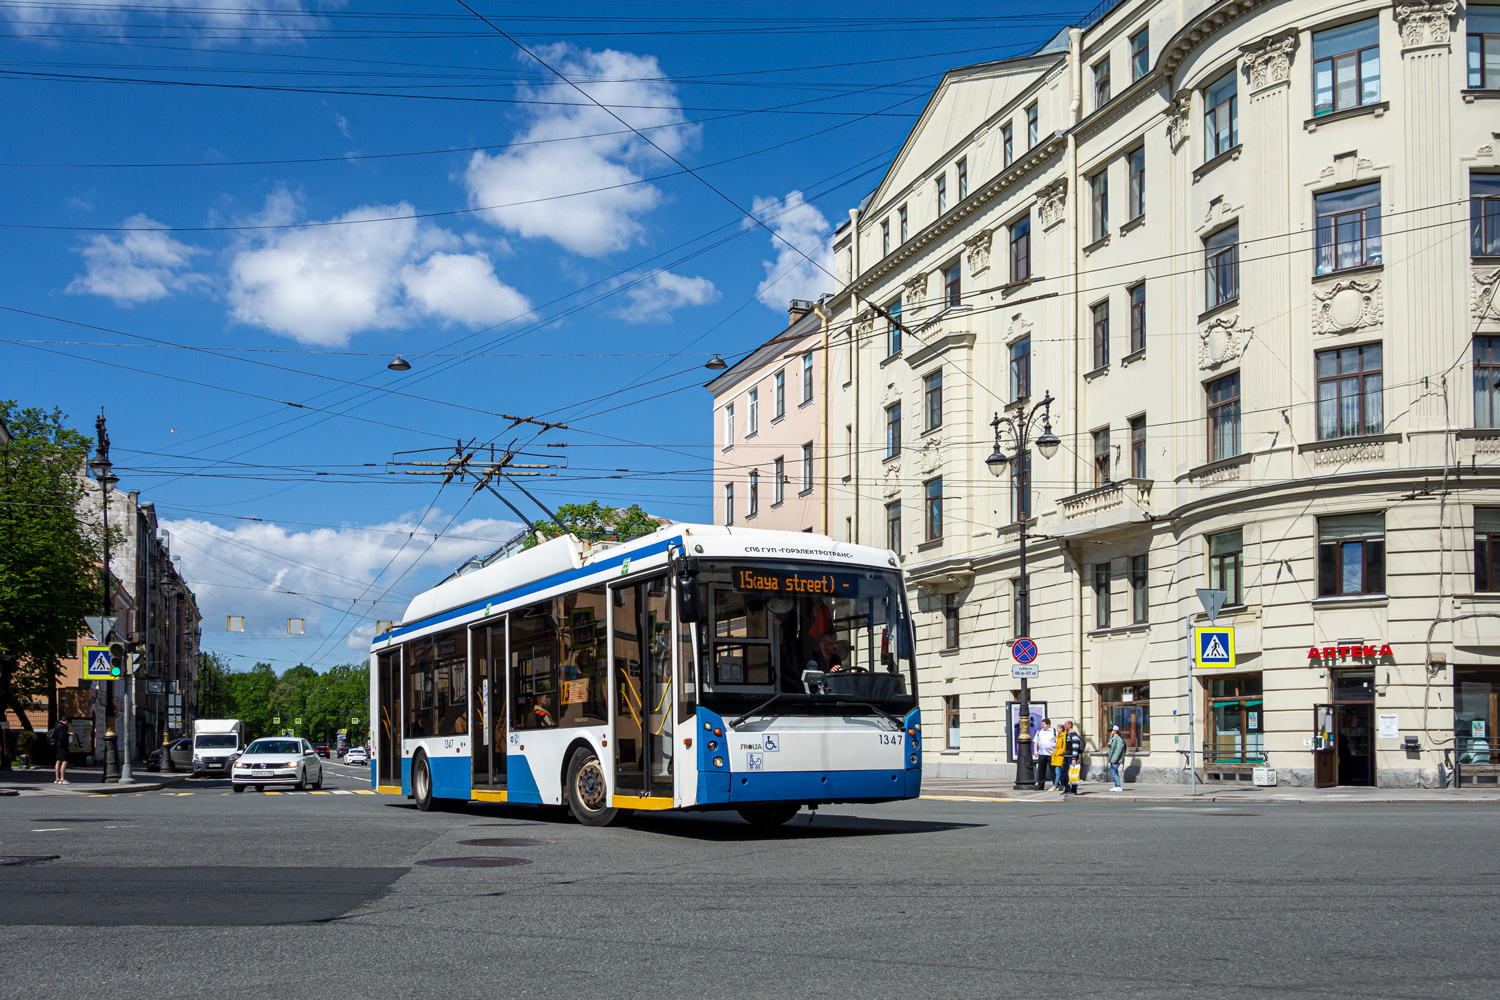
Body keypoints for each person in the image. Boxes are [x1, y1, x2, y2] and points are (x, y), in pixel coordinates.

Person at [1033, 718, 1057, 790]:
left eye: (1043, 724)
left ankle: (1055, 785)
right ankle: (1040, 785)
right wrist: (1035, 751)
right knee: (1041, 770)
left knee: (1053, 770)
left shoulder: (1053, 731)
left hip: (1051, 754)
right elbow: (1036, 742)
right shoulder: (1039, 732)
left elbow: (1058, 742)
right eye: (1042, 724)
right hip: (1042, 753)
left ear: (1048, 724)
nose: (1042, 725)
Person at [1062, 721, 1084, 794]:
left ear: (1069, 725)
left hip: (1071, 757)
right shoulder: (1067, 734)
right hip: (1066, 756)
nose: (1064, 726)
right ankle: (1067, 789)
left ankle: (1073, 789)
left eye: (1065, 725)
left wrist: (1074, 758)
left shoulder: (1074, 735)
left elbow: (1075, 748)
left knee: (1073, 773)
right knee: (1065, 773)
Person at [48, 717, 71, 784]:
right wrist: (68, 734)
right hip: (62, 746)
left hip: (57, 745)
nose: (68, 725)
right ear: (66, 721)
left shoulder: (56, 725)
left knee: (58, 761)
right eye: (69, 723)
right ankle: (62, 779)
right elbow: (62, 737)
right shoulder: (62, 727)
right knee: (65, 761)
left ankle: (57, 778)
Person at [1108, 725, 1127, 791]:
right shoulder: (1113, 739)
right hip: (1112, 758)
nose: (1110, 732)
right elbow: (1112, 749)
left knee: (1113, 772)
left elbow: (1118, 750)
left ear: (1115, 731)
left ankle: (1118, 786)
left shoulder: (1119, 739)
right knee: (1114, 772)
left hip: (1116, 759)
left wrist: (1115, 759)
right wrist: (1109, 744)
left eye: (1111, 730)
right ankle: (1116, 786)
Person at [1051, 721, 1068, 791]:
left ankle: (1055, 785)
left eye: (1058, 728)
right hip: (1057, 756)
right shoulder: (1058, 737)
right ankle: (1063, 785)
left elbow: (1064, 747)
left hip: (1060, 756)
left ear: (1061, 729)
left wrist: (1058, 753)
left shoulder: (1064, 736)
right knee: (1060, 771)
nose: (1057, 730)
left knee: (1057, 771)